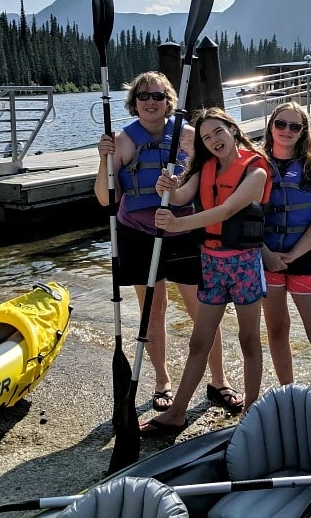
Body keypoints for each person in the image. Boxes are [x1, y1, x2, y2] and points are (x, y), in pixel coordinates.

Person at [95, 73, 243, 414]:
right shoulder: (121, 142)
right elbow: (104, 199)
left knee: (204, 311)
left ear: (169, 102)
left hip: (182, 230)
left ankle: (219, 380)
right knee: (153, 311)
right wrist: (103, 161)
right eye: (144, 96)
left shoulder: (190, 138)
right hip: (138, 233)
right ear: (134, 102)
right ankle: (163, 381)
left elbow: (226, 167)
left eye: (158, 96)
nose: (151, 102)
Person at [140, 107, 272, 433]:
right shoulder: (205, 168)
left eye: (218, 132)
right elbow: (182, 195)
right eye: (206, 137)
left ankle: (253, 411)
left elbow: (226, 210)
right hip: (212, 263)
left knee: (249, 338)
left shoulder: (256, 170)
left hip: (244, 265)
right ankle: (177, 413)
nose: (213, 140)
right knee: (199, 342)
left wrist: (177, 224)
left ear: (233, 129)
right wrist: (165, 188)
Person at [261, 103, 311, 385]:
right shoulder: (256, 166)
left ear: (303, 132)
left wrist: (294, 254)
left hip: (305, 260)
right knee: (277, 329)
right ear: (271, 126)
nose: (286, 131)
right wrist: (267, 254)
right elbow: (243, 216)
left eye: (295, 126)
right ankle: (288, 391)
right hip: (267, 260)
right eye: (281, 124)